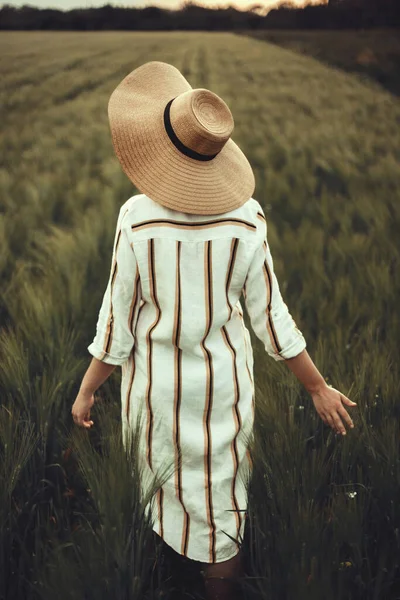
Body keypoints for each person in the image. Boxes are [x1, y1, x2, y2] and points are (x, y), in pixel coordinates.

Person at [71, 61, 357, 600]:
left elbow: (117, 322)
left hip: (153, 394)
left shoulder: (136, 218)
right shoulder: (247, 219)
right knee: (221, 497)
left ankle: (164, 575)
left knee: (159, 485)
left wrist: (88, 389)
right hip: (225, 393)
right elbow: (273, 319)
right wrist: (316, 386)